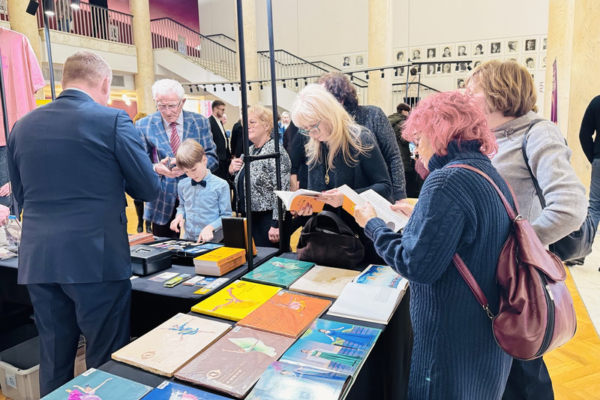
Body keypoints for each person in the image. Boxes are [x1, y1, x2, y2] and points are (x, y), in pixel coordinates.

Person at [6, 51, 160, 396]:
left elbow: (20, 195)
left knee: (54, 358)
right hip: (95, 258)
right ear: (104, 83)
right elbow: (147, 188)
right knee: (104, 360)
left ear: (64, 82)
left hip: (39, 259)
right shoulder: (113, 120)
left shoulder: (22, 126)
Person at [354, 91, 513, 399]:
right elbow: (469, 234)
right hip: (487, 329)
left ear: (439, 134)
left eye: (419, 140)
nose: (415, 150)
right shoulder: (488, 173)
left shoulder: (444, 181)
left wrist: (372, 224)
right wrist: (422, 216)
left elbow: (415, 265)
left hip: (448, 340)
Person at [466, 59, 587, 400]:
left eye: (473, 90)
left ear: (498, 93)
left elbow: (570, 207)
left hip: (515, 277)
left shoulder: (537, 132)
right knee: (500, 366)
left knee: (522, 370)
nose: (465, 95)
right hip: (486, 274)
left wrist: (517, 249)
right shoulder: (486, 137)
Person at [293, 84, 392, 264]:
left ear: (328, 115)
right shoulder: (315, 147)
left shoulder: (360, 139)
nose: (311, 134)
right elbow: (318, 194)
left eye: (313, 126)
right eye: (304, 129)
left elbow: (385, 187)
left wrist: (347, 198)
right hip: (329, 241)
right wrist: (306, 208)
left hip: (362, 241)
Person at [137, 79, 218, 238]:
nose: (167, 112)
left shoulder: (200, 122)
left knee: (201, 246)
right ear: (155, 102)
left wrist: (189, 168)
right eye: (161, 106)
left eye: (172, 106)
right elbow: (139, 163)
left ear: (183, 102)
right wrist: (156, 168)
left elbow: (212, 158)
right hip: (162, 200)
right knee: (163, 247)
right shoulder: (143, 125)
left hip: (198, 197)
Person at [318, 72, 406, 201]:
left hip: (376, 196)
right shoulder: (323, 126)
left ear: (340, 99)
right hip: (341, 202)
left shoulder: (373, 115)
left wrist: (400, 196)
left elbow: (393, 157)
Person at [230, 105, 291, 248]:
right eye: (246, 123)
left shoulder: (275, 151)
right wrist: (232, 171)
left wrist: (276, 223)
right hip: (250, 218)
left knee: (268, 259)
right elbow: (242, 182)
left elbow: (282, 189)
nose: (248, 126)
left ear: (266, 125)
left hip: (268, 220)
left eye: (252, 122)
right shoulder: (250, 151)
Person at [170, 140, 232, 243]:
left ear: (204, 160)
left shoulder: (221, 185)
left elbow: (226, 216)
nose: (191, 175)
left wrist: (210, 227)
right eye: (186, 171)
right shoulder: (182, 184)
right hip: (189, 239)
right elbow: (182, 206)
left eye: (193, 169)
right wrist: (179, 216)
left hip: (215, 241)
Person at [388, 103, 422, 198]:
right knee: (407, 182)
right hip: (403, 156)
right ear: (403, 111)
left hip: (392, 155)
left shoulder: (389, 121)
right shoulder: (403, 123)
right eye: (408, 111)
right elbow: (404, 140)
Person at [579, 95, 600, 230]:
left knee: (595, 206)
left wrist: (593, 158)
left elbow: (584, 135)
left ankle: (588, 239)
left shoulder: (597, 102)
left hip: (599, 161)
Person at [132, 112, 152, 233]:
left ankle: (148, 223)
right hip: (137, 169)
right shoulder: (132, 136)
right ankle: (140, 221)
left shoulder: (152, 136)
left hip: (150, 168)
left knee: (150, 197)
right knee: (138, 198)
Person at [208, 100, 231, 181]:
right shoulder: (209, 121)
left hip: (224, 157)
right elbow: (210, 141)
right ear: (215, 109)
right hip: (217, 157)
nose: (224, 112)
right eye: (222, 109)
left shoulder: (219, 122)